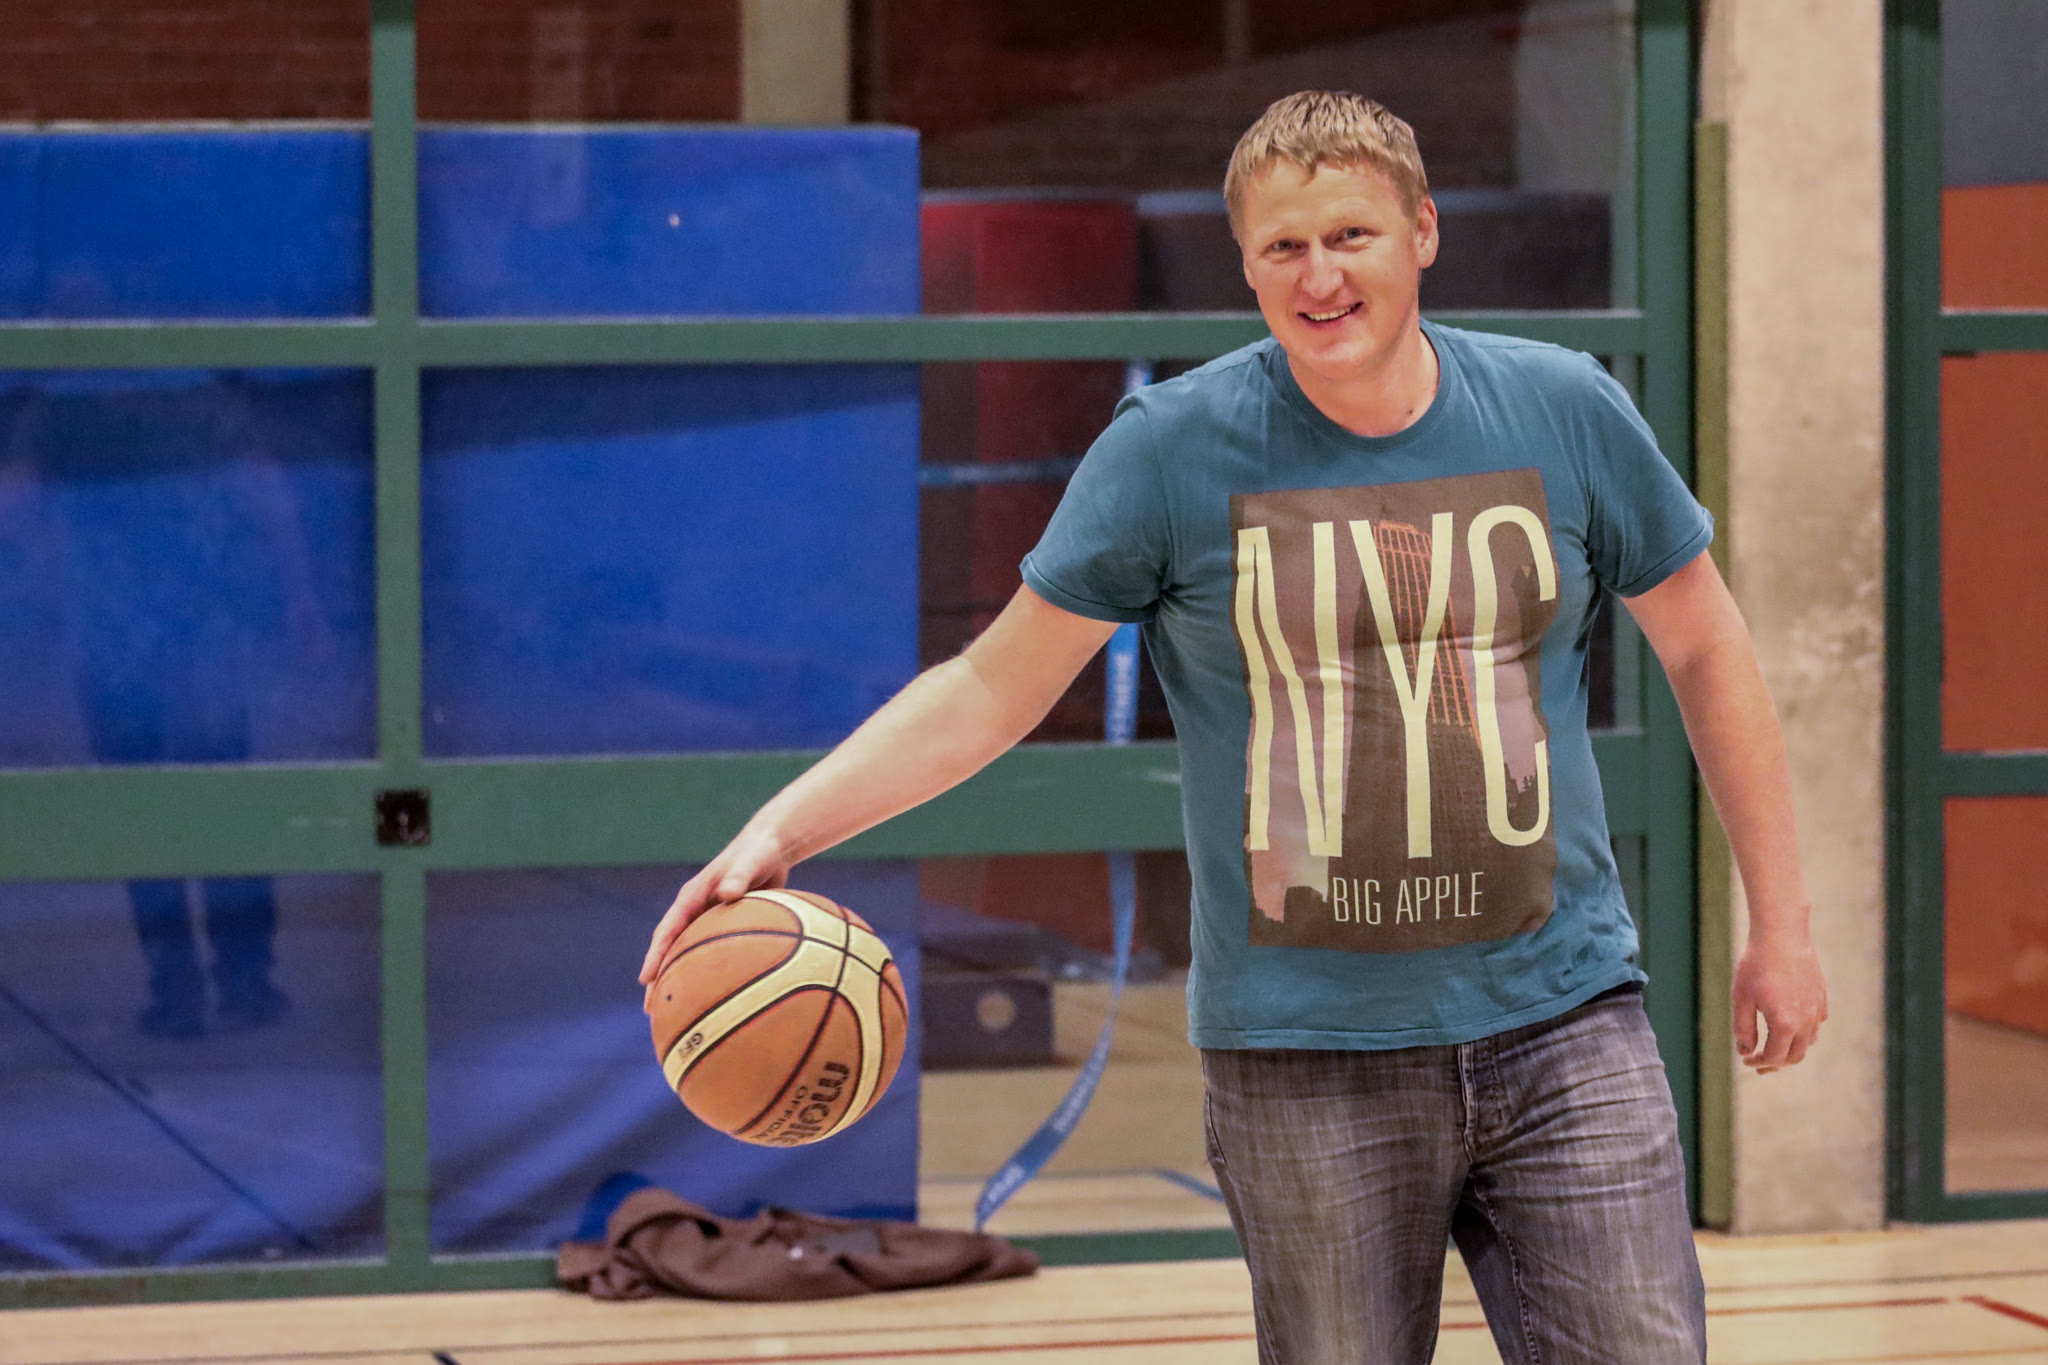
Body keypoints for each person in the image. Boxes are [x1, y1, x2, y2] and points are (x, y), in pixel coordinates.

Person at [641, 91, 1827, 1364]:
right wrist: (780, 831)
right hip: (1303, 1059)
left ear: (1422, 231)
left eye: (1351, 235)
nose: (1319, 277)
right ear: (1245, 263)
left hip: (1561, 1024)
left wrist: (1782, 928)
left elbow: (1704, 648)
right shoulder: (1170, 450)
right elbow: (991, 688)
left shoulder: (1563, 409)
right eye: (1282, 247)